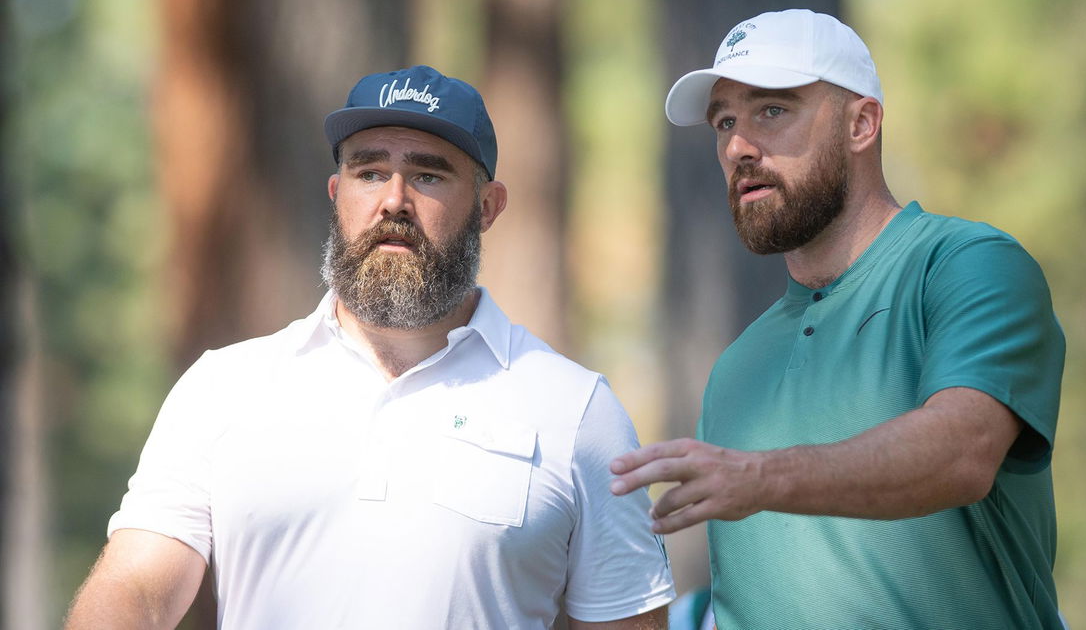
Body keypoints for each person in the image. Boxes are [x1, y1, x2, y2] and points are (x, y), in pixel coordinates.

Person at [66, 65, 674, 629]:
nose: (394, 200)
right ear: (337, 192)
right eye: (370, 171)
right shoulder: (224, 388)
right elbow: (139, 589)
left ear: (487, 208)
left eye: (429, 174)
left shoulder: (576, 411)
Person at [610, 10, 1066, 629]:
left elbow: (963, 452)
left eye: (771, 110)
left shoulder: (966, 265)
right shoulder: (736, 369)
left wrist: (761, 477)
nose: (738, 146)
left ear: (861, 123)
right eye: (724, 122)